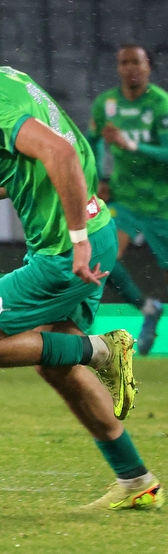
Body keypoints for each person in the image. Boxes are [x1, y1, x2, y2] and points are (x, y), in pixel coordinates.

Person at [0, 25, 161, 511]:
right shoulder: (2, 79)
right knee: (54, 363)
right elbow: (26, 164)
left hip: (65, 247)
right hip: (89, 234)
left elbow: (59, 153)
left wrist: (76, 240)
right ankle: (135, 479)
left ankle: (103, 349)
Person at [88, 44, 168, 355]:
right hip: (124, 200)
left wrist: (131, 145)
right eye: (124, 62)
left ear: (148, 67)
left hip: (162, 203)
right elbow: (91, 142)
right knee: (103, 257)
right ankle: (146, 307)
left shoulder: (161, 105)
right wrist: (97, 181)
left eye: (136, 62)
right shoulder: (105, 104)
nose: (130, 67)